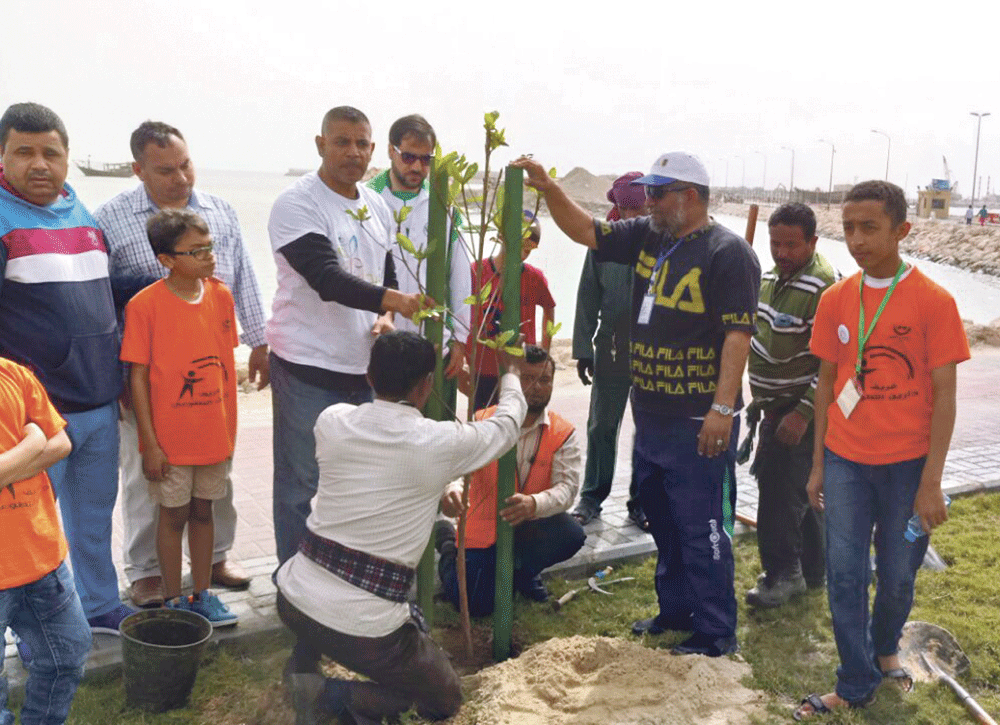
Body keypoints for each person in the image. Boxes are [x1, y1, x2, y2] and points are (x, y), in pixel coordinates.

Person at [513, 151, 761, 657]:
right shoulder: (649, 235)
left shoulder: (727, 253)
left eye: (657, 193)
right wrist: (549, 188)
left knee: (703, 527)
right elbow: (587, 232)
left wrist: (723, 409)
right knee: (664, 518)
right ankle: (675, 612)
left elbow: (738, 337)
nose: (647, 202)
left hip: (698, 420)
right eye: (646, 193)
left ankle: (715, 631)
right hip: (651, 414)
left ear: (689, 196)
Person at [276, 331, 527, 725]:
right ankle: (326, 694)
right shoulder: (438, 441)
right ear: (427, 386)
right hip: (365, 630)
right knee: (444, 698)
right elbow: (507, 426)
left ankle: (304, 665)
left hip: (292, 598)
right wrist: (511, 374)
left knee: (332, 608)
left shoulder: (332, 421)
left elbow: (384, 472)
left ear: (370, 377)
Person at [793, 181, 969, 719]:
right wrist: (820, 464)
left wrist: (931, 480)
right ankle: (854, 681)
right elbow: (827, 385)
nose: (857, 239)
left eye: (870, 227)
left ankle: (886, 646)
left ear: (902, 230)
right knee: (845, 573)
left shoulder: (934, 302)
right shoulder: (835, 300)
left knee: (897, 574)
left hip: (909, 467)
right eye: (848, 228)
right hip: (846, 461)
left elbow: (944, 394)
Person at [96, 120, 267, 607]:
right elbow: (102, 299)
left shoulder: (219, 212)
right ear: (138, 170)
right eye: (166, 170)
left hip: (208, 378)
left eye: (186, 164)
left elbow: (244, 277)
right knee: (145, 476)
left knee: (215, 483)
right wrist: (119, 377)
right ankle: (148, 571)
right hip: (148, 377)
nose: (181, 178)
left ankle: (214, 563)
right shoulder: (110, 218)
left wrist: (259, 342)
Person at [267, 106, 426, 565]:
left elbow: (387, 266)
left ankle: (343, 575)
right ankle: (292, 584)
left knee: (358, 480)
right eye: (341, 142)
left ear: (374, 150)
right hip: (307, 367)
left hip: (364, 368)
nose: (352, 152)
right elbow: (326, 279)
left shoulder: (374, 203)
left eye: (361, 143)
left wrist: (388, 318)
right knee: (302, 484)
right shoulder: (297, 203)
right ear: (320, 144)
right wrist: (395, 302)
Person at [0, 102, 133, 635]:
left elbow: (98, 295)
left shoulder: (83, 214)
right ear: (3, 156)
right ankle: (33, 633)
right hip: (35, 416)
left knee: (94, 518)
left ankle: (98, 605)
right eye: (24, 152)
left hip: (99, 400)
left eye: (51, 153)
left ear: (67, 159)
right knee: (27, 529)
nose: (39, 164)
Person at [120, 209, 240, 626]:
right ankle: (173, 601)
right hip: (169, 441)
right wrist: (149, 443)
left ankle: (202, 593)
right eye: (196, 250)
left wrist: (228, 430)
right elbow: (138, 375)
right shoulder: (144, 306)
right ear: (166, 259)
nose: (209, 257)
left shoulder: (221, 295)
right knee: (172, 516)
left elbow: (223, 362)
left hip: (213, 436)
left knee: (205, 511)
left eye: (210, 247)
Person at [437, 344, 585, 615]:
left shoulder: (563, 432)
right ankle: (447, 542)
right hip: (483, 530)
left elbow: (568, 489)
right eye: (527, 379)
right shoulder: (483, 420)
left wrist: (534, 504)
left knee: (570, 533)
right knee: (474, 606)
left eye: (544, 380)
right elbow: (460, 471)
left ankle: (522, 574)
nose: (537, 387)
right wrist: (452, 490)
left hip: (528, 525)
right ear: (514, 382)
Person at [740, 203, 837, 609]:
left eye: (791, 245)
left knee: (779, 495)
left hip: (799, 411)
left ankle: (783, 574)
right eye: (774, 243)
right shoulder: (770, 277)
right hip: (772, 407)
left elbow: (834, 362)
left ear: (812, 242)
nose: (780, 252)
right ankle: (815, 571)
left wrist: (802, 413)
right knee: (802, 491)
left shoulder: (824, 287)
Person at [0, 357, 90, 725]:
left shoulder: (13, 374)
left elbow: (61, 442)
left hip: (42, 559)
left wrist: (19, 458)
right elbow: (43, 440)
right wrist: (30, 443)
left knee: (67, 656)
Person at [366, 114, 472, 410]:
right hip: (377, 345)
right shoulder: (366, 200)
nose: (416, 167)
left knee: (435, 438)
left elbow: (461, 278)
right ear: (391, 151)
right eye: (409, 156)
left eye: (426, 160)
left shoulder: (443, 207)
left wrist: (460, 341)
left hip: (435, 345)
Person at [572, 172, 647, 530]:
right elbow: (587, 297)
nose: (634, 217)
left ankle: (642, 501)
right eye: (627, 209)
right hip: (612, 349)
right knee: (602, 424)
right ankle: (591, 497)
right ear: (616, 206)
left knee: (648, 429)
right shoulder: (603, 243)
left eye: (640, 209)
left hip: (652, 352)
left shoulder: (661, 241)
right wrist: (583, 349)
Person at [467, 211, 556, 410]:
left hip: (521, 368)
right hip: (484, 367)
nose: (524, 252)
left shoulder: (534, 278)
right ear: (501, 237)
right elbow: (461, 311)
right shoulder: (476, 272)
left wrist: (545, 350)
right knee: (483, 421)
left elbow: (549, 308)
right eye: (520, 244)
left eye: (530, 247)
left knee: (520, 424)